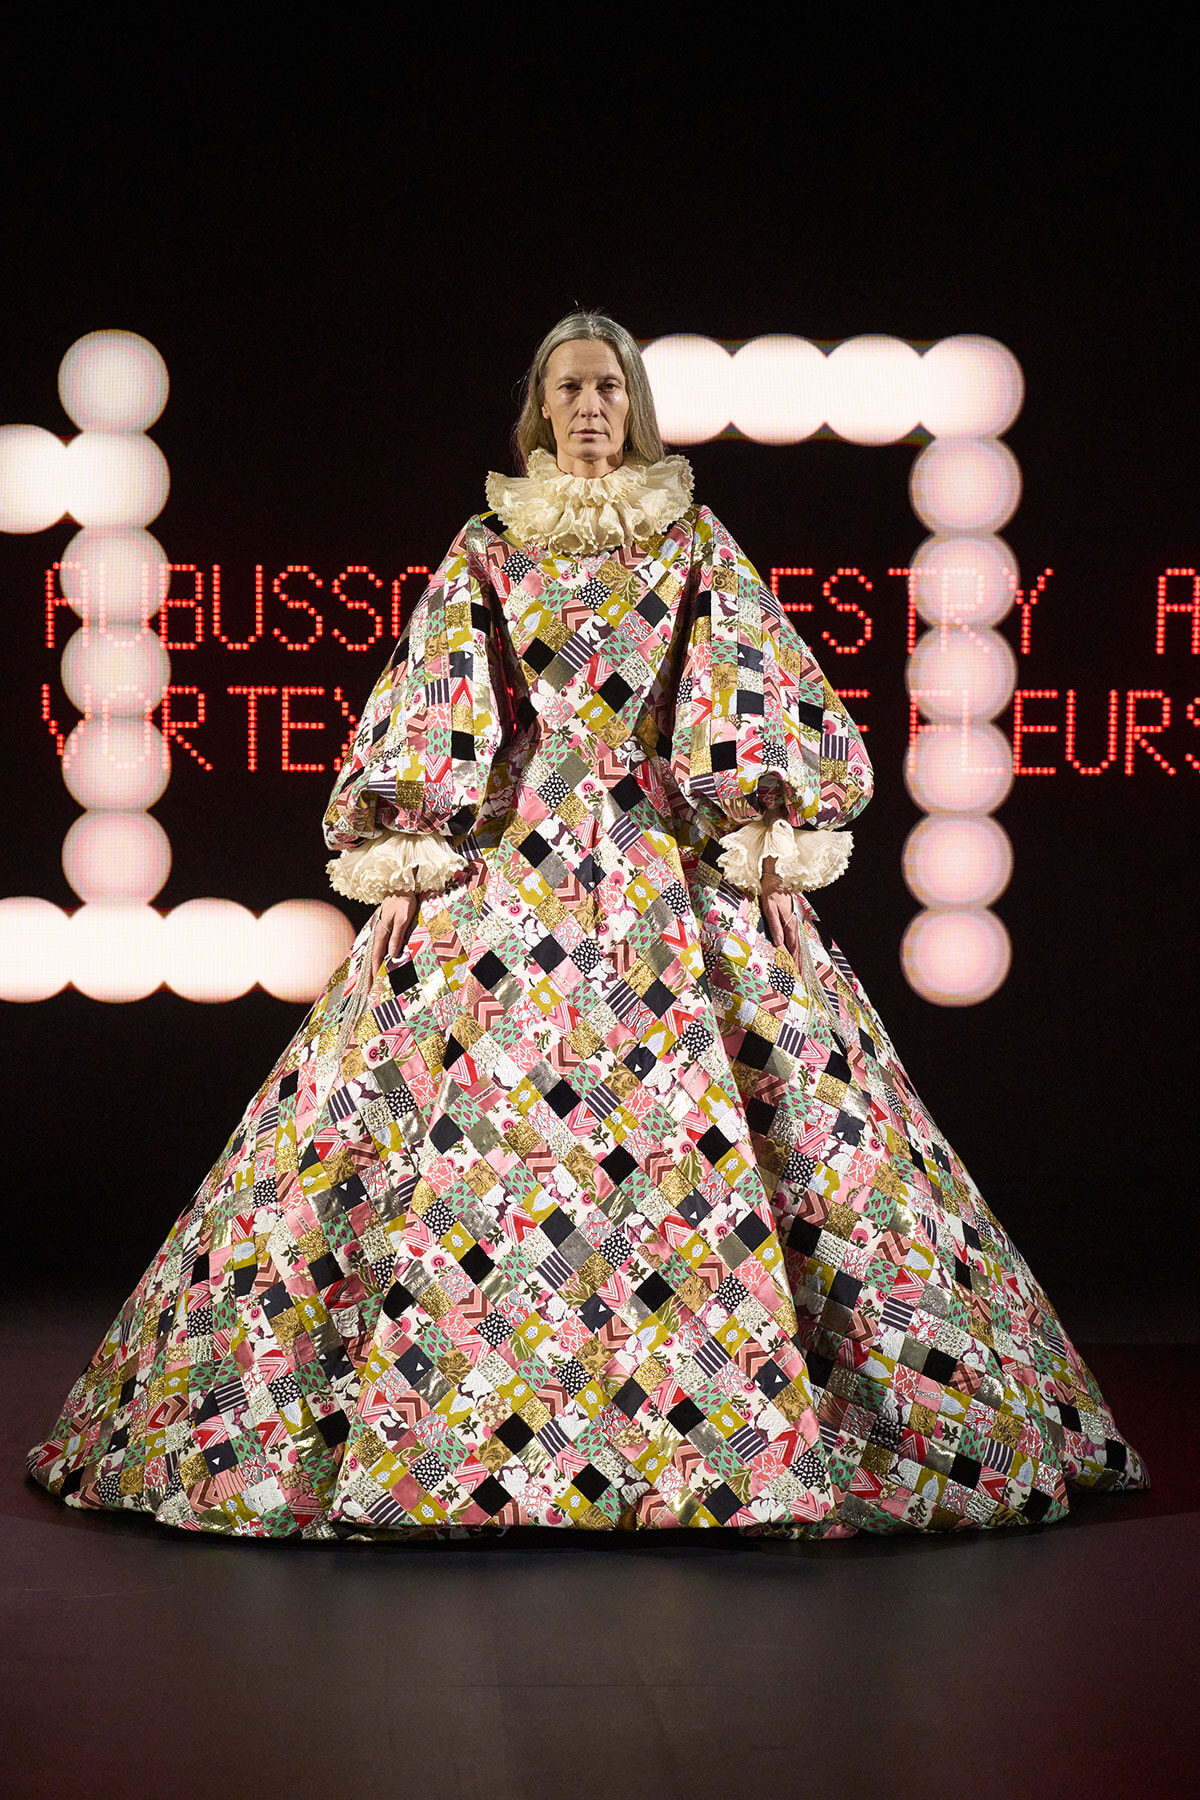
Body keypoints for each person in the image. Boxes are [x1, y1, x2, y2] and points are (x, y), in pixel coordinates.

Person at [28, 311, 1147, 1540]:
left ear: (635, 404)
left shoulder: (693, 544)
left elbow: (749, 682)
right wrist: (411, 844)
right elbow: (448, 690)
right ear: (541, 409)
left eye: (609, 385)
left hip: (671, 879)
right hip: (513, 873)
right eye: (570, 387)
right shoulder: (490, 547)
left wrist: (771, 830)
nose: (592, 406)